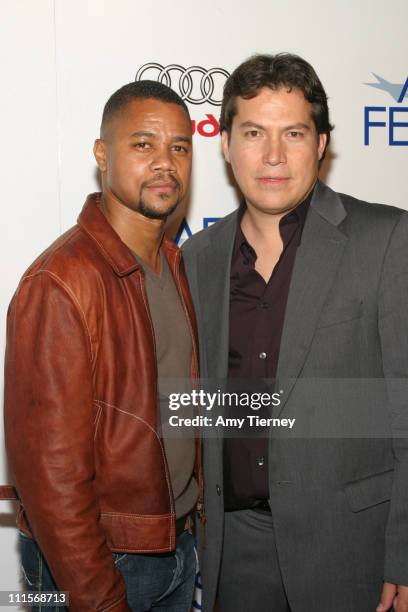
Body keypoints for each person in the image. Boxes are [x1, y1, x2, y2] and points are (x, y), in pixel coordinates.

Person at [182, 53, 408, 611]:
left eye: (294, 133)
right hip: (233, 553)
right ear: (226, 143)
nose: (273, 156)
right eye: (254, 132)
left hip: (354, 547)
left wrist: (403, 552)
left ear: (322, 144)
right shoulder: (197, 258)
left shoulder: (385, 239)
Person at [1, 80, 203, 611]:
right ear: (101, 154)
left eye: (179, 146)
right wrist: (96, 594)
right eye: (144, 144)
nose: (165, 162)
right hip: (102, 563)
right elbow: (50, 476)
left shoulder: (174, 264)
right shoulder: (62, 281)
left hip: (178, 547)